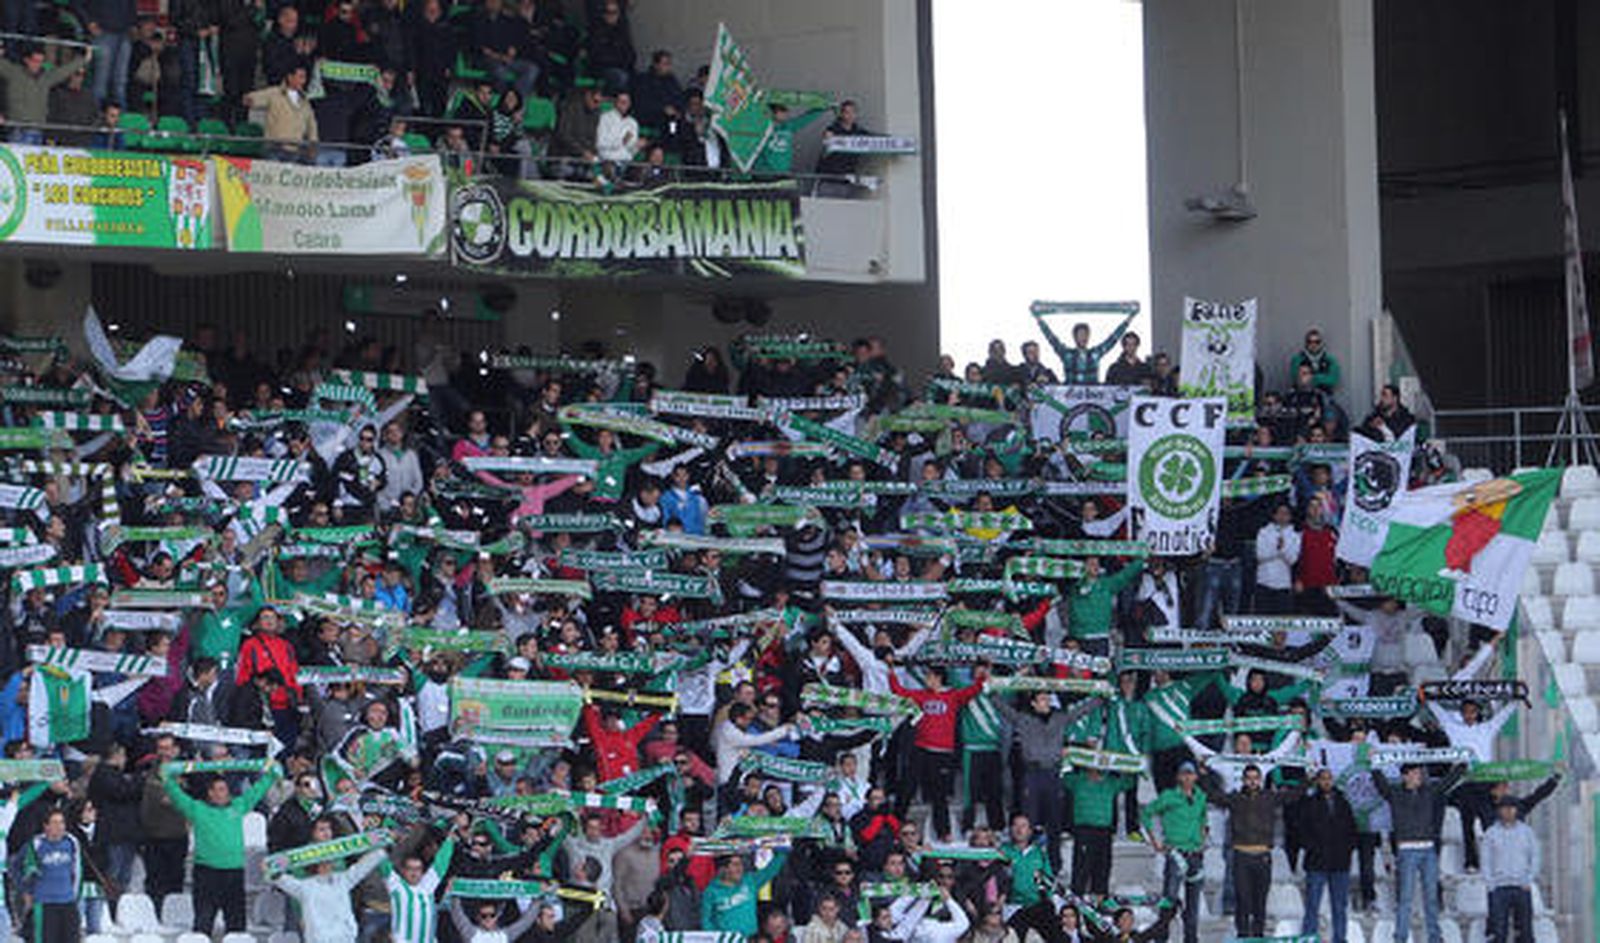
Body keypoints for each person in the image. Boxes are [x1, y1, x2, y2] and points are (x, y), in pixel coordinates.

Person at [162, 760, 284, 934]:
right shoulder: (197, 809)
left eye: (224, 789)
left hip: (234, 873)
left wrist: (271, 775)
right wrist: (167, 778)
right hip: (206, 873)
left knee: (236, 924)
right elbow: (176, 794)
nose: (222, 793)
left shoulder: (238, 805)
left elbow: (257, 791)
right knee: (203, 922)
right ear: (210, 793)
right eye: (218, 790)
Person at [1372, 759, 1468, 943]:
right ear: (1405, 776)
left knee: (1431, 897)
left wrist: (1461, 766)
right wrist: (1374, 765)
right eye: (1415, 773)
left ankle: (1434, 937)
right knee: (1405, 898)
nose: (1420, 777)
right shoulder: (1395, 793)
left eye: (1420, 773)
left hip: (1428, 849)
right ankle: (1400, 937)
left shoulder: (1429, 791)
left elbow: (1446, 783)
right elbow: (1380, 785)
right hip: (1406, 850)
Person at [1142, 761, 1208, 943]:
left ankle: (1191, 939)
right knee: (1169, 900)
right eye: (1184, 774)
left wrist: (1203, 839)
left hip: (1195, 854)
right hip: (1176, 852)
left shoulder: (1201, 796)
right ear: (1178, 777)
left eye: (1190, 774)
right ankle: (1161, 938)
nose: (1187, 777)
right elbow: (1147, 812)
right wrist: (1154, 841)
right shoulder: (1169, 796)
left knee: (1193, 904)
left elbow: (1203, 819)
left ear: (1196, 777)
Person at [272, 847, 389, 943]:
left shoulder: (342, 880)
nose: (328, 866)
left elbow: (361, 868)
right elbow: (282, 880)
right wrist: (271, 868)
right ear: (315, 866)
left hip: (346, 938)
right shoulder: (305, 887)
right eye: (323, 863)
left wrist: (382, 851)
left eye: (329, 862)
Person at [1297, 767, 1358, 943]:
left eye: (1329, 778)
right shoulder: (1309, 803)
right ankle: (1309, 938)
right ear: (1317, 781)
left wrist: (1347, 850)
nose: (1326, 782)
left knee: (1340, 906)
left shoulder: (1343, 802)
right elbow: (1300, 829)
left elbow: (1352, 830)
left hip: (1340, 863)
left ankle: (1340, 939)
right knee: (1312, 905)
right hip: (1316, 862)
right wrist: (1312, 848)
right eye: (1323, 778)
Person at [0, 47, 88, 143]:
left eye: (41, 61)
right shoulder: (14, 72)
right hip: (17, 129)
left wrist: (83, 59)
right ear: (26, 60)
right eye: (35, 61)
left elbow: (63, 71)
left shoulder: (46, 77)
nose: (38, 64)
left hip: (38, 129)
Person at [1483, 795, 1539, 943]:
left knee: (1525, 931)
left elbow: (1535, 857)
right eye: (1504, 808)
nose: (1508, 811)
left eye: (1511, 808)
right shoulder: (1491, 833)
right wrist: (1491, 884)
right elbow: (1486, 861)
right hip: (1499, 887)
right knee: (1498, 931)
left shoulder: (1527, 832)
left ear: (1516, 810)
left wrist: (1528, 879)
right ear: (1499, 810)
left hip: (1521, 886)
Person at [1034, 308, 1139, 385]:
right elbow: (1051, 338)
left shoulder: (1095, 353)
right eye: (1080, 335)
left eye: (1085, 335)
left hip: (1092, 399)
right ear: (1074, 337)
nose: (1083, 338)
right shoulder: (1066, 354)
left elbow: (1113, 339)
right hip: (1070, 400)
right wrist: (1039, 319)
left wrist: (1128, 320)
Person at [243, 63, 319, 163]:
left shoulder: (305, 101)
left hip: (295, 150)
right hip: (274, 148)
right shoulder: (274, 93)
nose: (303, 81)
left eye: (304, 77)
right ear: (290, 77)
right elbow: (252, 99)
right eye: (300, 77)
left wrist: (313, 145)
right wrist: (249, 99)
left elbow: (312, 125)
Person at [1253, 502, 1300, 614]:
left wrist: (1282, 549)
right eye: (1280, 513)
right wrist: (1277, 550)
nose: (1282, 516)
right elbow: (1260, 555)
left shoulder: (1295, 536)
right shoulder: (1264, 532)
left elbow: (1292, 559)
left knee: (1282, 620)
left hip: (1284, 585)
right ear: (1274, 515)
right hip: (1264, 582)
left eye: (1286, 513)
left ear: (1290, 516)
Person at [1289, 328, 1341, 393]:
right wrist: (1324, 377)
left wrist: (1314, 378)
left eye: (1317, 342)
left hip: (1324, 394)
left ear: (1321, 343)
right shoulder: (1298, 359)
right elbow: (1297, 379)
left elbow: (1333, 380)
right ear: (1306, 343)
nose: (1313, 345)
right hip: (1303, 394)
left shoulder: (1330, 360)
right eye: (1310, 342)